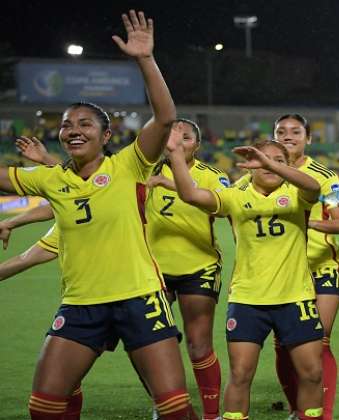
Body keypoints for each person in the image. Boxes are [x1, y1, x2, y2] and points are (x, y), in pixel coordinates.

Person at [0, 11, 199, 419]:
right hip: (80, 305)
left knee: (176, 410)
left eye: (85, 123)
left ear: (106, 136)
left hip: (140, 299)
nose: (73, 129)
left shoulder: (129, 165)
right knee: (44, 408)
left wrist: (145, 59)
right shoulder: (52, 179)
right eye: (67, 124)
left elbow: (164, 118)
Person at [12, 120, 229, 420]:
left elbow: (223, 206)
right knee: (144, 357)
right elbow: (82, 186)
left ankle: (210, 414)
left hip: (197, 266)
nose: (175, 142)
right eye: (171, 135)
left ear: (198, 144)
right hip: (149, 271)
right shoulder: (143, 169)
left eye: (185, 137)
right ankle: (161, 402)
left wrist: (176, 183)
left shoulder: (211, 175)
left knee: (198, 343)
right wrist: (46, 168)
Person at [168, 138, 324, 420]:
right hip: (247, 300)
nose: (271, 164)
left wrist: (269, 163)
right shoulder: (235, 196)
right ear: (249, 166)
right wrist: (175, 153)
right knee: (240, 375)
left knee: (312, 374)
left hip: (296, 298)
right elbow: (190, 195)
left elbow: (314, 186)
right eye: (264, 159)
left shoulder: (298, 193)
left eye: (280, 160)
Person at [234, 113, 339, 420]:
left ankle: (321, 414)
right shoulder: (252, 176)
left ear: (308, 138)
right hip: (274, 275)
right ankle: (296, 409)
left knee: (319, 342)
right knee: (283, 346)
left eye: (295, 131)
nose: (288, 136)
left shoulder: (326, 177)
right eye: (281, 131)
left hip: (321, 266)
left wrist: (299, 219)